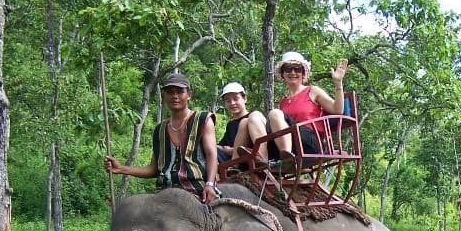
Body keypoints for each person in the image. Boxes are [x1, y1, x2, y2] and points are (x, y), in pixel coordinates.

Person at [104, 73, 220, 203]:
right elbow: (153, 169)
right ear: (164, 96)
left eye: (180, 91)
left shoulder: (203, 119)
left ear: (189, 95)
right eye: (170, 92)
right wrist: (121, 169)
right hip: (164, 191)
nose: (175, 96)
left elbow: (212, 155)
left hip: (196, 189)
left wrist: (210, 185)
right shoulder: (160, 129)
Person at [248, 51, 348, 162]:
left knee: (274, 113)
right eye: (288, 69)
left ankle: (287, 159)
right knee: (254, 116)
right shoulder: (283, 101)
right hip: (292, 143)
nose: (293, 72)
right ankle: (263, 162)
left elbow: (338, 110)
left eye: (297, 69)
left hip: (310, 142)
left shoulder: (312, 91)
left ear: (303, 73)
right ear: (282, 73)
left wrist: (338, 83)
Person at [215, 82, 267, 163]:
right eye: (228, 101)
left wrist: (231, 150)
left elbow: (261, 143)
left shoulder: (255, 118)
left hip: (254, 160)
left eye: (236, 99)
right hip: (235, 161)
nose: (232, 103)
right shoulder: (231, 125)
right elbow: (222, 146)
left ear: (245, 99)